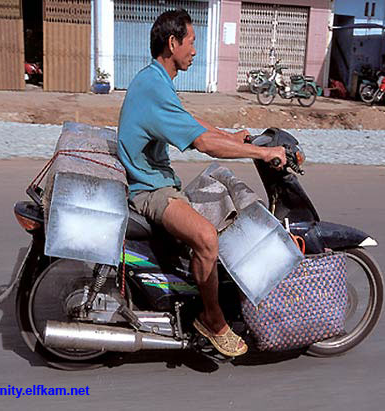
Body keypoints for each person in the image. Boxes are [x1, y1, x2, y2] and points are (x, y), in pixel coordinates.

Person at [117, 9, 286, 357]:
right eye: (191, 42)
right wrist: (259, 154)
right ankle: (212, 320)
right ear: (173, 42)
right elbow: (202, 143)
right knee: (207, 237)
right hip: (150, 190)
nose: (195, 50)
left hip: (158, 181)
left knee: (221, 190)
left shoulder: (156, 80)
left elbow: (192, 123)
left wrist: (234, 137)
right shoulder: (153, 86)